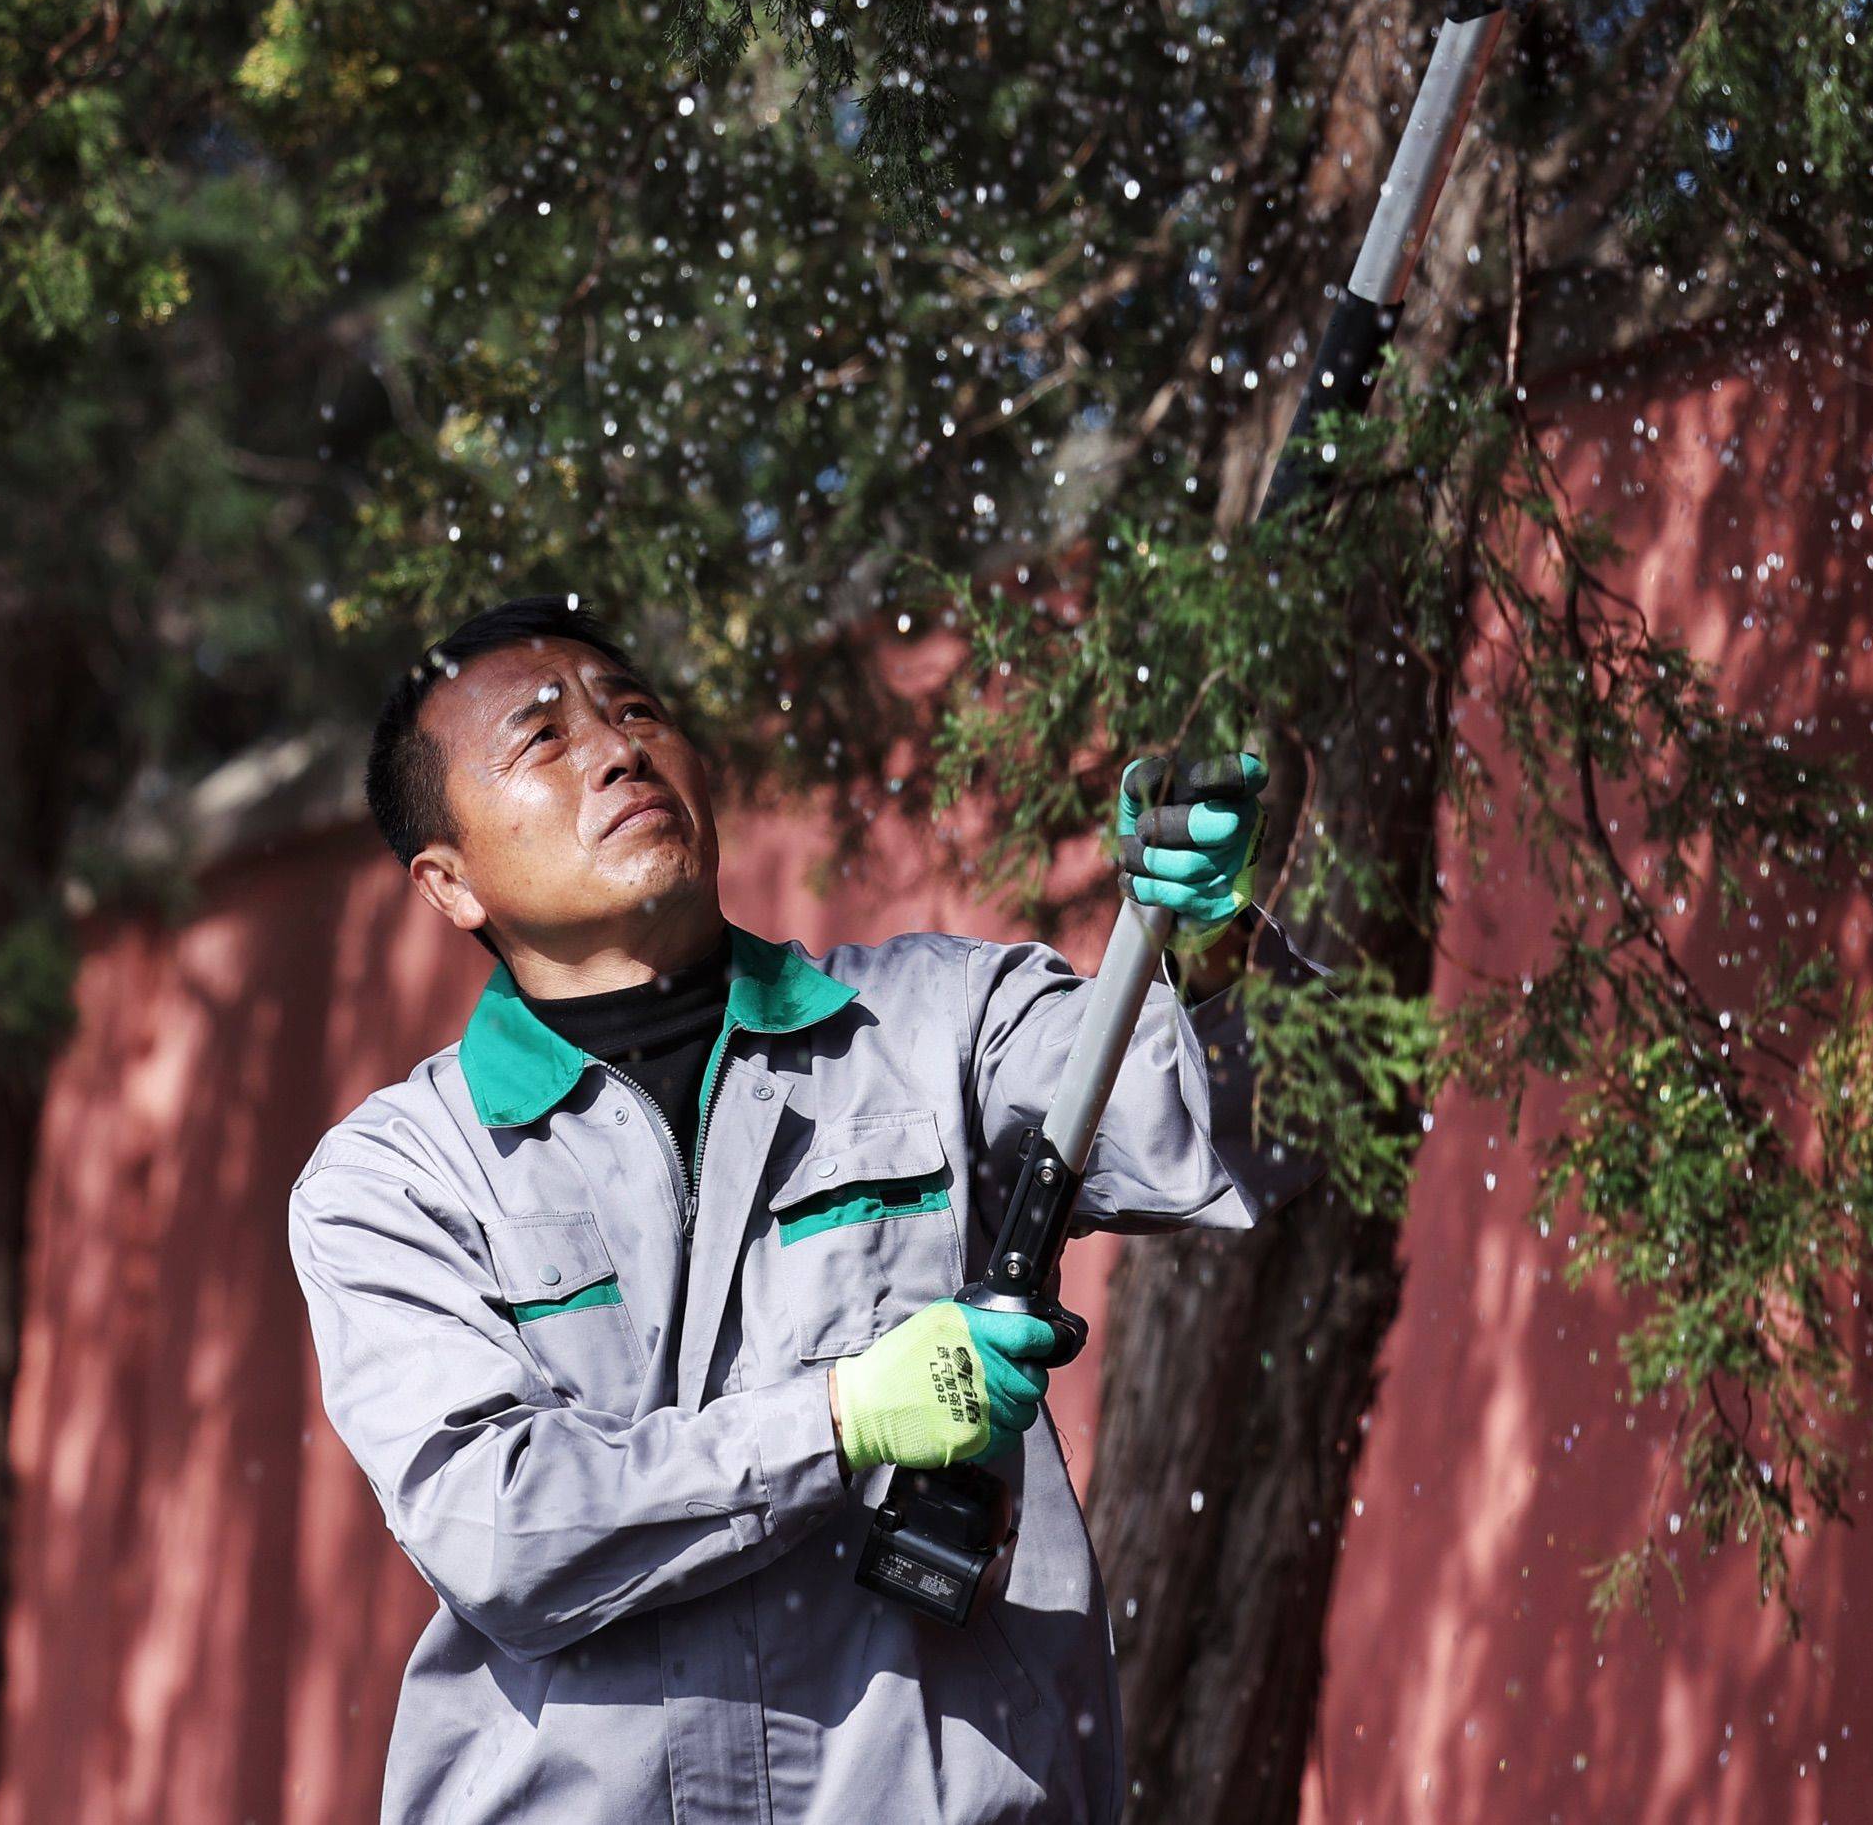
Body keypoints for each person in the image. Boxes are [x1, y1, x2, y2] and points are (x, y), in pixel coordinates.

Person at [290, 595, 1328, 1824]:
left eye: (635, 713)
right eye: (541, 740)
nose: (618, 748)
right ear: (448, 881)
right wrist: (841, 1417)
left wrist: (1205, 956)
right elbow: (500, 1529)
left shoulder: (934, 1028)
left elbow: (1239, 1140)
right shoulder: (398, 1177)